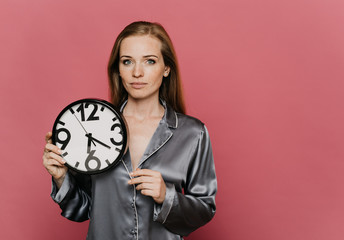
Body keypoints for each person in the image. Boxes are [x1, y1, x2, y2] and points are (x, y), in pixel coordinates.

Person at [43, 21, 217, 240]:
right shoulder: (91, 127)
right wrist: (61, 178)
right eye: (127, 62)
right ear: (118, 69)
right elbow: (83, 209)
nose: (137, 72)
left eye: (149, 61)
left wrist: (166, 195)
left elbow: (204, 209)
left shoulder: (193, 133)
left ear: (166, 68)